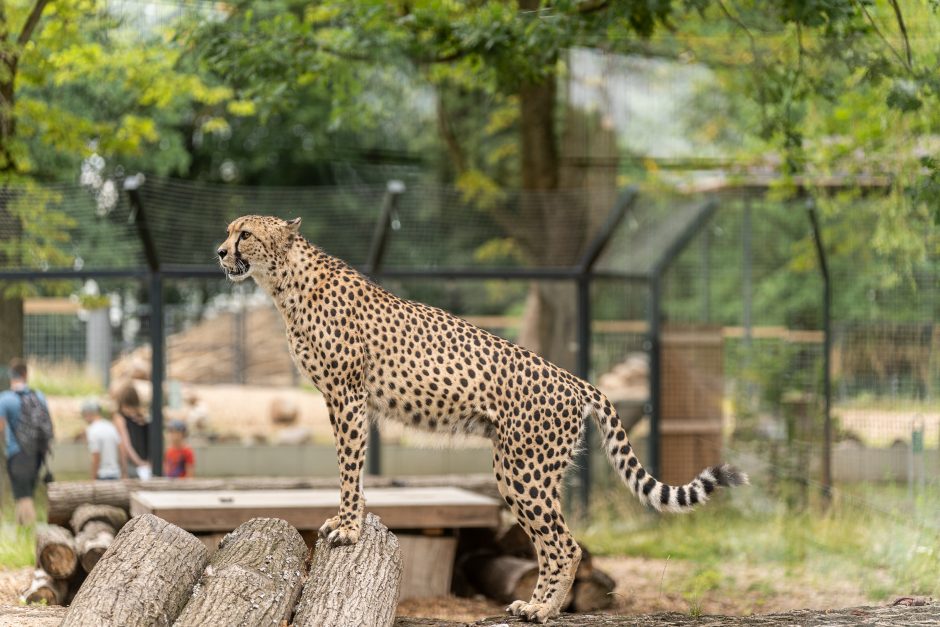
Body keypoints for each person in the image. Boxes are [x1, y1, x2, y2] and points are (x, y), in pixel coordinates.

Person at [0, 359, 53, 526]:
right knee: (23, 495)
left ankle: (31, 536)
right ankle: (20, 532)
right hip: (37, 453)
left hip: (18, 453)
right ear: (25, 375)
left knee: (24, 498)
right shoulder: (39, 396)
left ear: (11, 375)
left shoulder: (6, 398)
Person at [110, 381, 151, 479]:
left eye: (131, 406)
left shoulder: (141, 418)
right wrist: (139, 462)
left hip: (144, 461)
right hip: (132, 463)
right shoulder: (119, 418)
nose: (128, 410)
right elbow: (125, 445)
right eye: (126, 406)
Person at [81, 399, 121, 480]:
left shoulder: (92, 430)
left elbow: (96, 457)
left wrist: (93, 478)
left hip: (102, 475)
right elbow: (120, 449)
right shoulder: (110, 426)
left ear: (89, 413)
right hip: (116, 474)